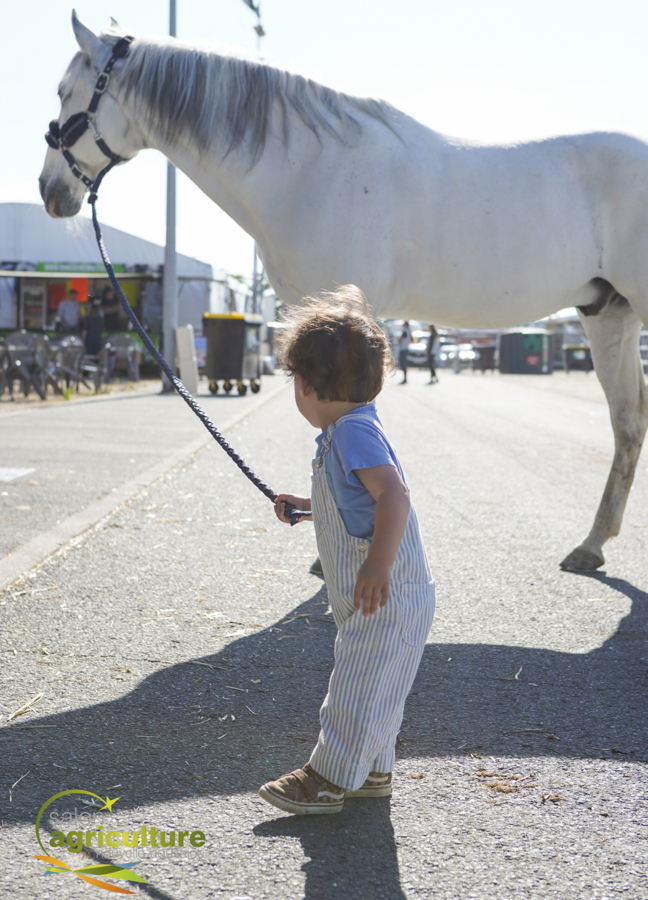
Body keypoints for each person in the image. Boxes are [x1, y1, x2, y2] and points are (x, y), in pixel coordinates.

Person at [259, 285, 435, 815]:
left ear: (309, 384)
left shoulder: (353, 435)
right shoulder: (351, 428)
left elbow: (394, 497)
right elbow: (357, 504)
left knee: (355, 690)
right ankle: (372, 772)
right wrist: (307, 504)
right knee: (376, 690)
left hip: (387, 594)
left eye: (295, 382)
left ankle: (326, 779)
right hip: (385, 600)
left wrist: (380, 563)